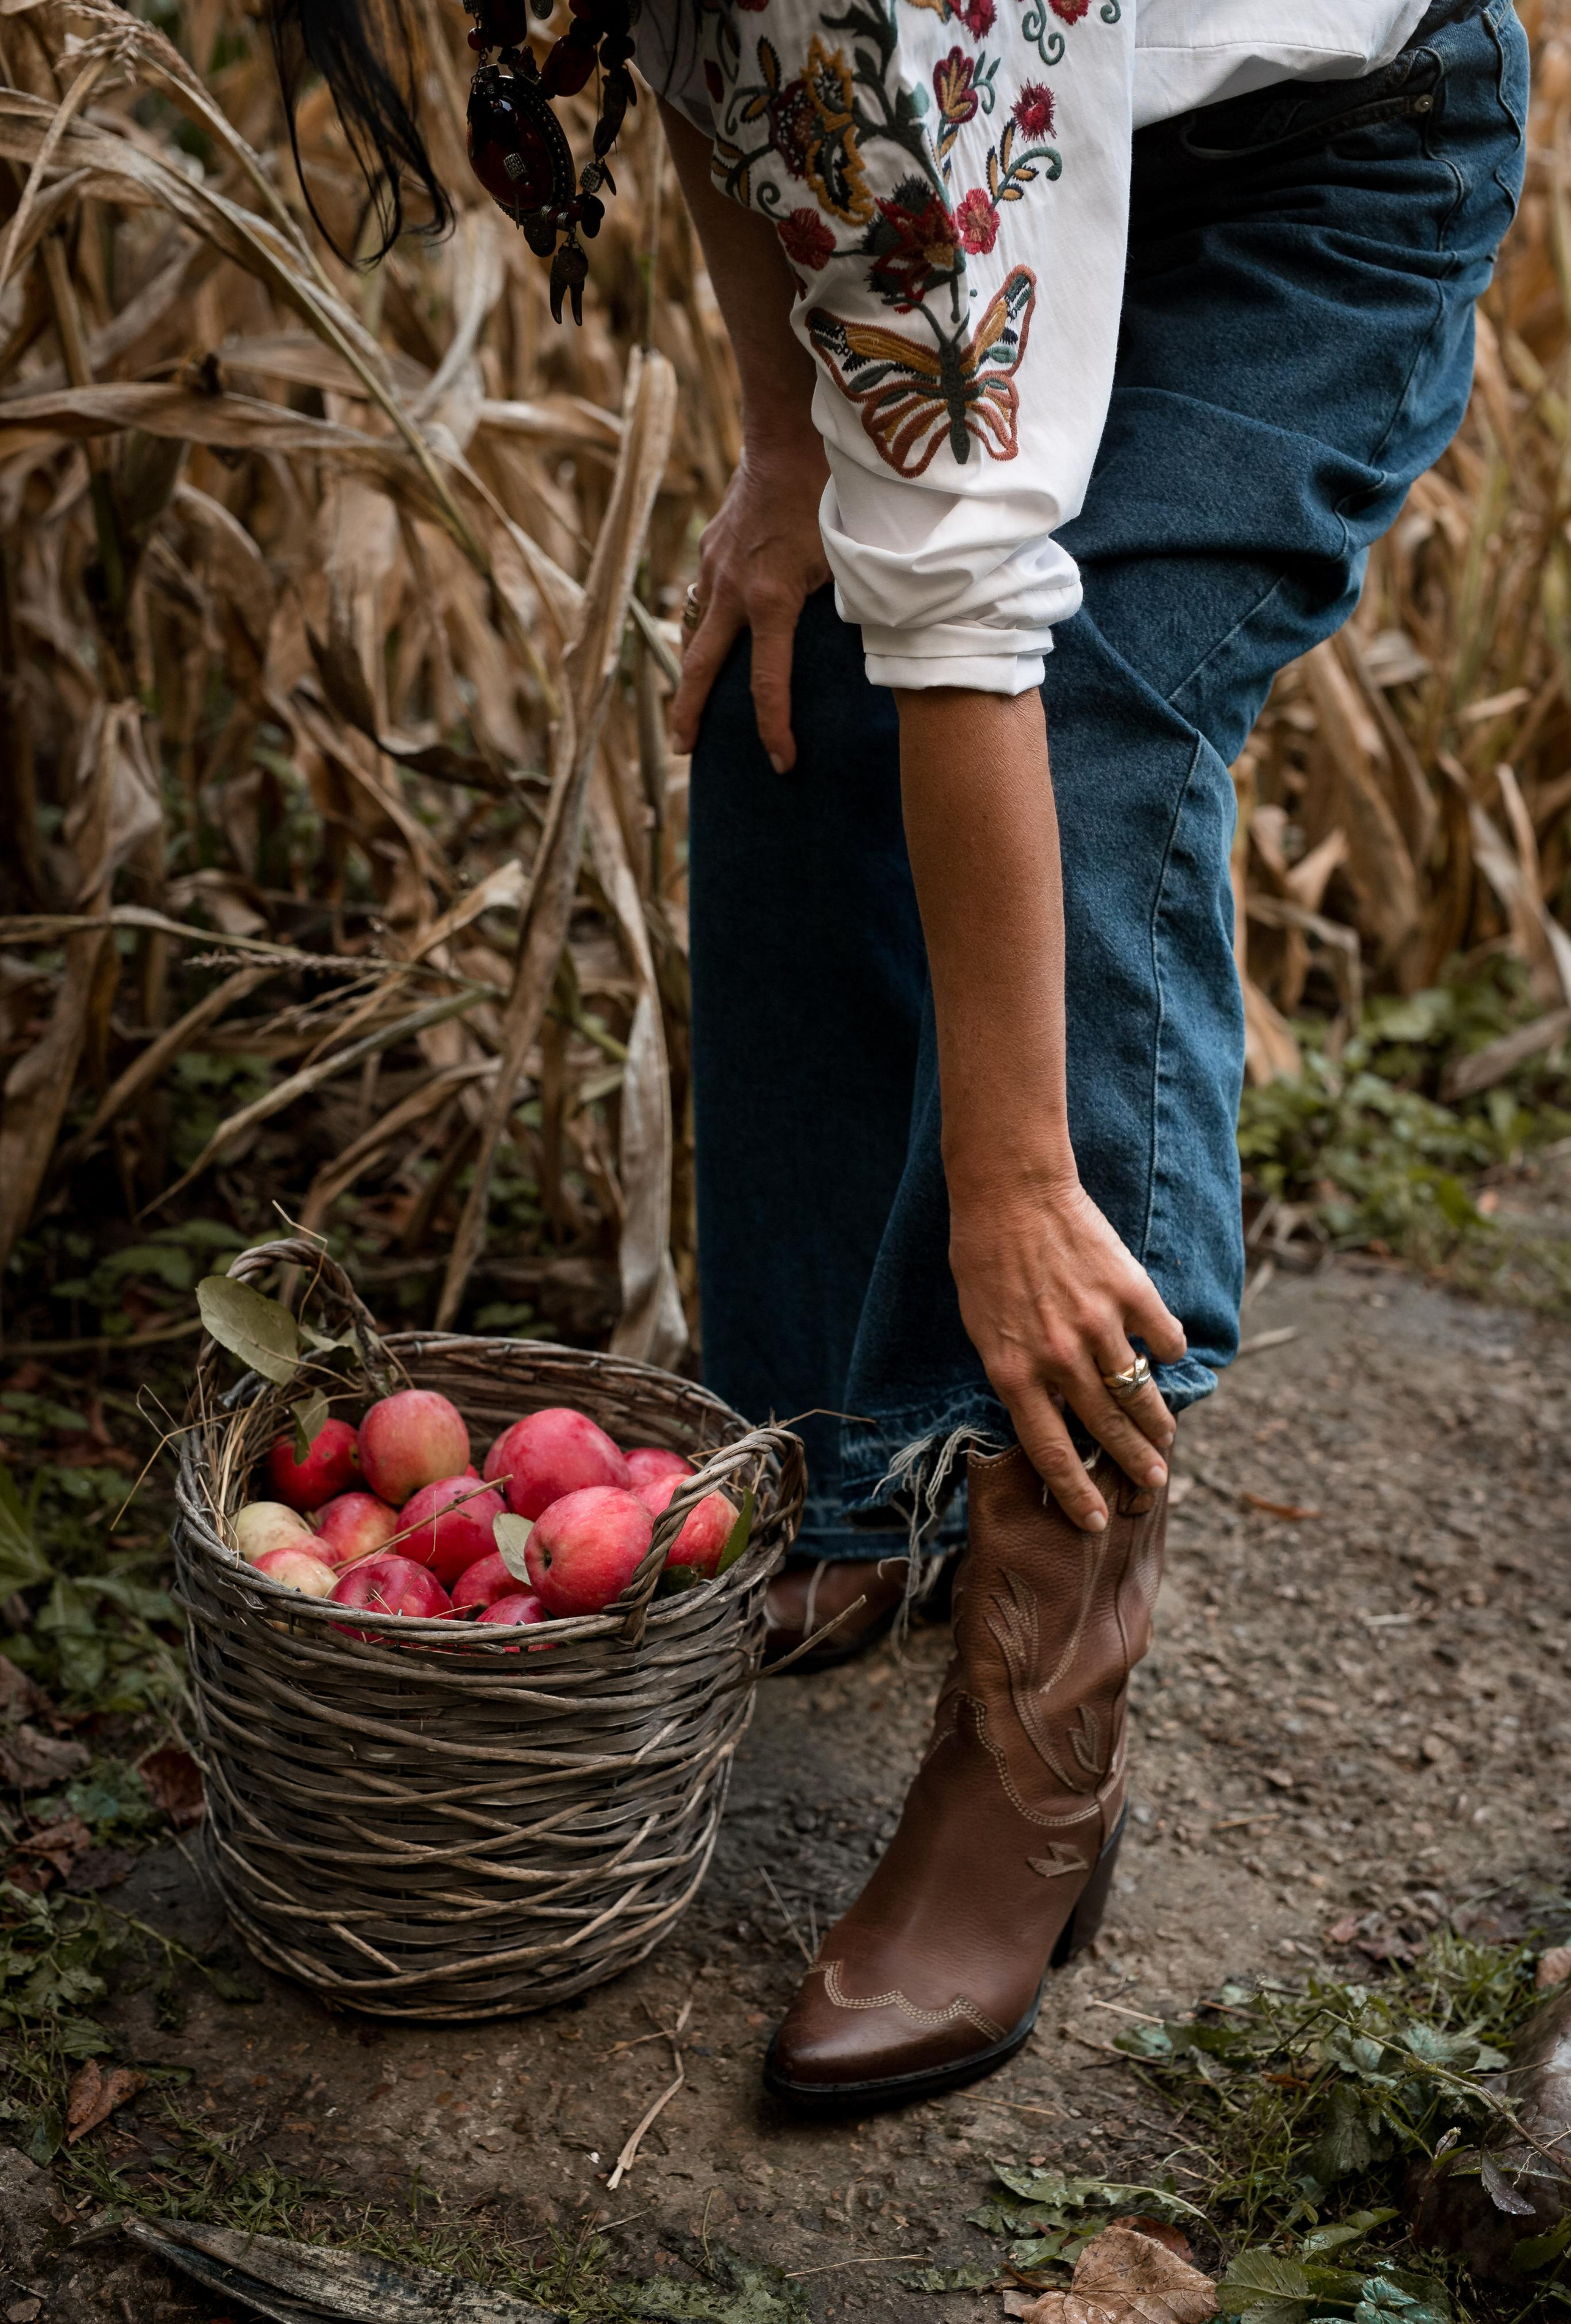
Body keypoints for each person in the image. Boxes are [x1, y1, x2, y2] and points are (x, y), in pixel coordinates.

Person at [279, 0, 1527, 2105]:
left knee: (1101, 700)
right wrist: (783, 448)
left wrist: (1019, 1188)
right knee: (790, 690)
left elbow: (974, 596)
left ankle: (1045, 1721)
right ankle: (845, 1485)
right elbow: (718, 78)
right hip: (966, 145)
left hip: (1320, 185)